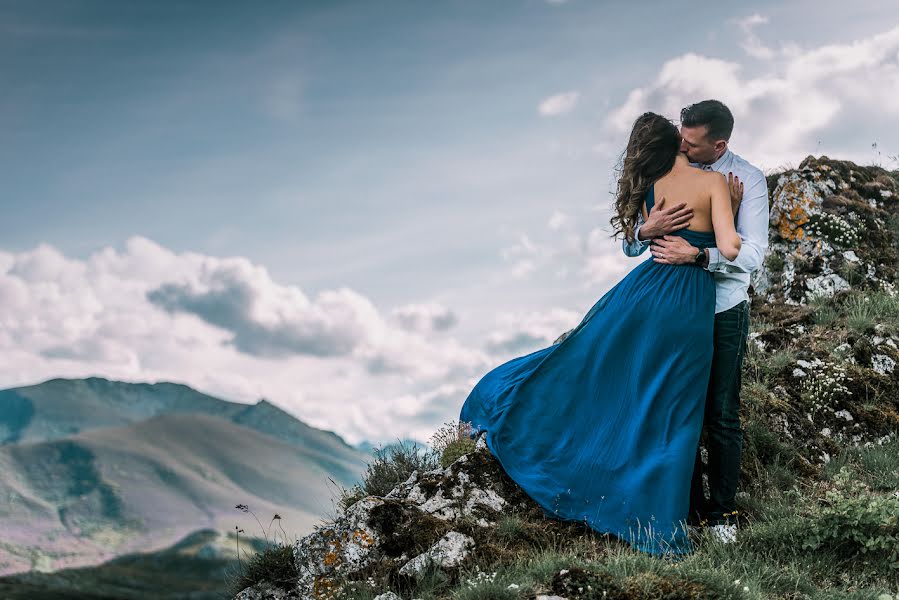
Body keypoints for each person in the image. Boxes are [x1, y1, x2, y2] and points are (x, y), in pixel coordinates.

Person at [459, 111, 741, 557]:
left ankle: (527, 419)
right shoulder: (715, 184)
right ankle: (658, 514)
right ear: (677, 143)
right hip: (689, 302)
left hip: (644, 292)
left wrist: (650, 231)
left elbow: (635, 245)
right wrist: (716, 224)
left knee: (597, 371)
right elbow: (728, 248)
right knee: (673, 408)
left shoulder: (651, 187)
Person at [622, 99, 769, 544]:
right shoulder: (673, 165)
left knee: (720, 412)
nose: (680, 146)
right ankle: (683, 510)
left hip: (722, 307)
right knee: (676, 405)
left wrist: (700, 256)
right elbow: (629, 241)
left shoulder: (749, 179)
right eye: (679, 137)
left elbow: (755, 256)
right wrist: (642, 233)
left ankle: (721, 515)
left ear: (719, 143)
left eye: (691, 142)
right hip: (672, 309)